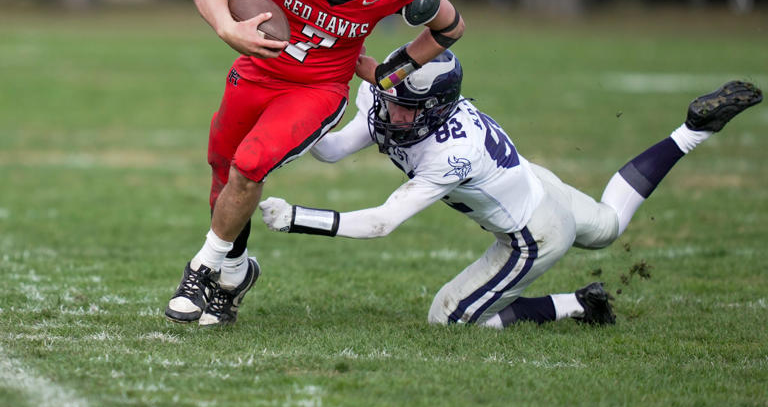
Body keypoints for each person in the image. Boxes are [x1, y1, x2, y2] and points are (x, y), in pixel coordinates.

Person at [165, 0, 465, 326]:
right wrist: (230, 31)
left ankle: (200, 270)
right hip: (260, 67)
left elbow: (450, 26)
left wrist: (391, 73)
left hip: (319, 87)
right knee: (224, 173)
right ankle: (234, 273)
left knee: (251, 163)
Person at [259, 50, 762, 327]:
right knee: (609, 224)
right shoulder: (394, 96)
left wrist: (298, 217)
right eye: (390, 99)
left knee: (448, 319)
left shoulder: (450, 153)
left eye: (407, 108)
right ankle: (693, 132)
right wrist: (300, 102)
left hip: (533, 233)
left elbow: (381, 223)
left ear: (435, 110)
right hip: (535, 182)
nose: (392, 113)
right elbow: (328, 148)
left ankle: (577, 306)